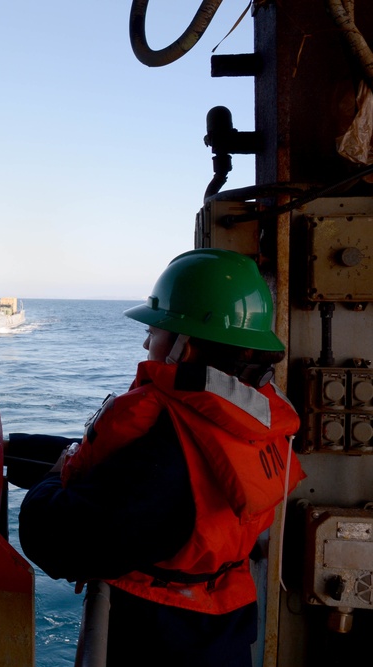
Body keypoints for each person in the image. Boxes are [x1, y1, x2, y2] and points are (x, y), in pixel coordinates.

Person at [16, 248, 304, 667]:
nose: (147, 340)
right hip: (218, 627)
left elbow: (60, 542)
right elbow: (132, 477)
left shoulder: (166, 456)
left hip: (162, 638)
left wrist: (49, 482)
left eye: (157, 329)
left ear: (184, 348)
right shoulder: (245, 421)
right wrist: (17, 452)